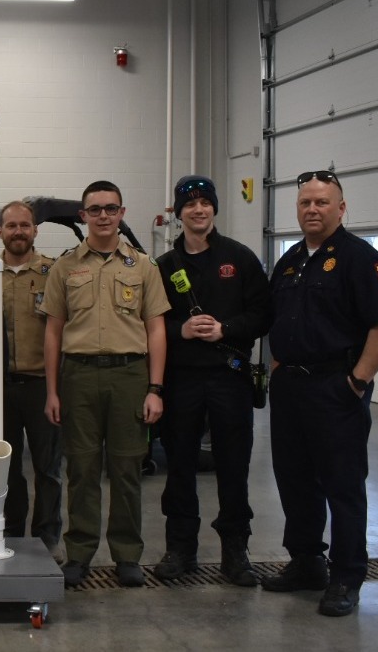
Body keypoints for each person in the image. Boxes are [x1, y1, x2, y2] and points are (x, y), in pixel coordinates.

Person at [262, 170, 378, 617]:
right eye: (305, 203)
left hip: (334, 388)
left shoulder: (360, 258)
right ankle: (306, 563)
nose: (312, 210)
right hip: (290, 389)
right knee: (295, 479)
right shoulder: (289, 263)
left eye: (322, 202)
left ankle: (346, 575)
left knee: (343, 485)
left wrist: (357, 381)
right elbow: (276, 320)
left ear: (341, 209)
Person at [41, 180, 170, 588]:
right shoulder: (64, 267)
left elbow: (156, 330)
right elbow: (52, 332)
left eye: (110, 208)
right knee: (81, 468)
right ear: (83, 216)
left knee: (127, 468)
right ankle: (78, 554)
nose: (102, 216)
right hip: (78, 375)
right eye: (94, 209)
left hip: (129, 375)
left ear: (121, 213)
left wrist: (155, 389)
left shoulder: (143, 266)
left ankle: (128, 555)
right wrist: (52, 390)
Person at [152, 175, 271, 587]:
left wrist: (226, 329)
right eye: (190, 203)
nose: (198, 209)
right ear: (179, 212)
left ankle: (235, 552)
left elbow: (262, 314)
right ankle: (180, 548)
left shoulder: (240, 259)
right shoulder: (165, 267)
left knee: (233, 467)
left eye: (205, 202)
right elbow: (148, 323)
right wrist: (178, 330)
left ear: (214, 208)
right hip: (181, 381)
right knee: (180, 465)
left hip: (230, 380)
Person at [0, 200, 63, 558]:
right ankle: (10, 532)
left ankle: (48, 537)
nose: (19, 231)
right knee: (6, 468)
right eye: (12, 226)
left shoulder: (55, 273)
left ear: (35, 230)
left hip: (42, 386)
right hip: (0, 388)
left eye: (25, 225)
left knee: (48, 468)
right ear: (0, 233)